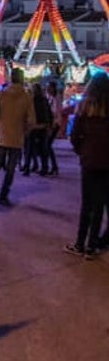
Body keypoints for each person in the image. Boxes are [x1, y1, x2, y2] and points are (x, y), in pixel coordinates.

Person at [66, 73, 109, 258]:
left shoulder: (84, 106)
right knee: (99, 205)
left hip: (89, 160)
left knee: (87, 204)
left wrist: (82, 151)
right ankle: (92, 246)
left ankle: (80, 243)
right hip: (107, 162)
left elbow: (75, 135)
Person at [0, 67, 35, 206]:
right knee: (10, 168)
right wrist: (24, 130)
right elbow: (32, 120)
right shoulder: (27, 97)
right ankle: (4, 194)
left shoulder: (2, 94)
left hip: (1, 135)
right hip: (17, 137)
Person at [22, 83, 52, 175]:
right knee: (43, 149)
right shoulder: (44, 100)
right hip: (43, 126)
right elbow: (49, 113)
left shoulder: (32, 100)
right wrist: (49, 124)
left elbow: (29, 113)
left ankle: (28, 167)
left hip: (34, 126)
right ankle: (44, 167)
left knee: (29, 148)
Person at [43, 80, 64, 175]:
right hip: (52, 123)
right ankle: (53, 166)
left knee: (47, 145)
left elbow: (57, 113)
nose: (47, 89)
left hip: (55, 124)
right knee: (47, 145)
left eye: (48, 87)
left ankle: (53, 166)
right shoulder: (50, 98)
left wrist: (54, 124)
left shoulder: (57, 99)